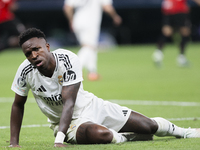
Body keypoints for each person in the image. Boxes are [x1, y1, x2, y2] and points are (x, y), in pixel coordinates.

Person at [9, 28, 200, 148]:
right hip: (69, 124)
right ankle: (127, 138)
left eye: (37, 49)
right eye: (28, 53)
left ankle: (185, 132)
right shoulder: (25, 72)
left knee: (149, 125)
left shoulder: (68, 60)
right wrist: (14, 143)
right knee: (102, 135)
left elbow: (69, 102)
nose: (34, 55)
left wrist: (58, 141)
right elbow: (18, 104)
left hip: (93, 107)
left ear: (47, 47)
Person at [63, 0, 122, 81]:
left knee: (90, 47)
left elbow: (67, 8)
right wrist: (115, 16)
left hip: (77, 22)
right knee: (89, 47)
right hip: (91, 23)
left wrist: (71, 20)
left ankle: (92, 72)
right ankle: (74, 69)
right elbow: (107, 7)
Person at [152, 0, 200, 67]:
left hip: (181, 11)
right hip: (169, 10)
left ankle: (181, 57)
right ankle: (158, 54)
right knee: (167, 32)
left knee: (185, 32)